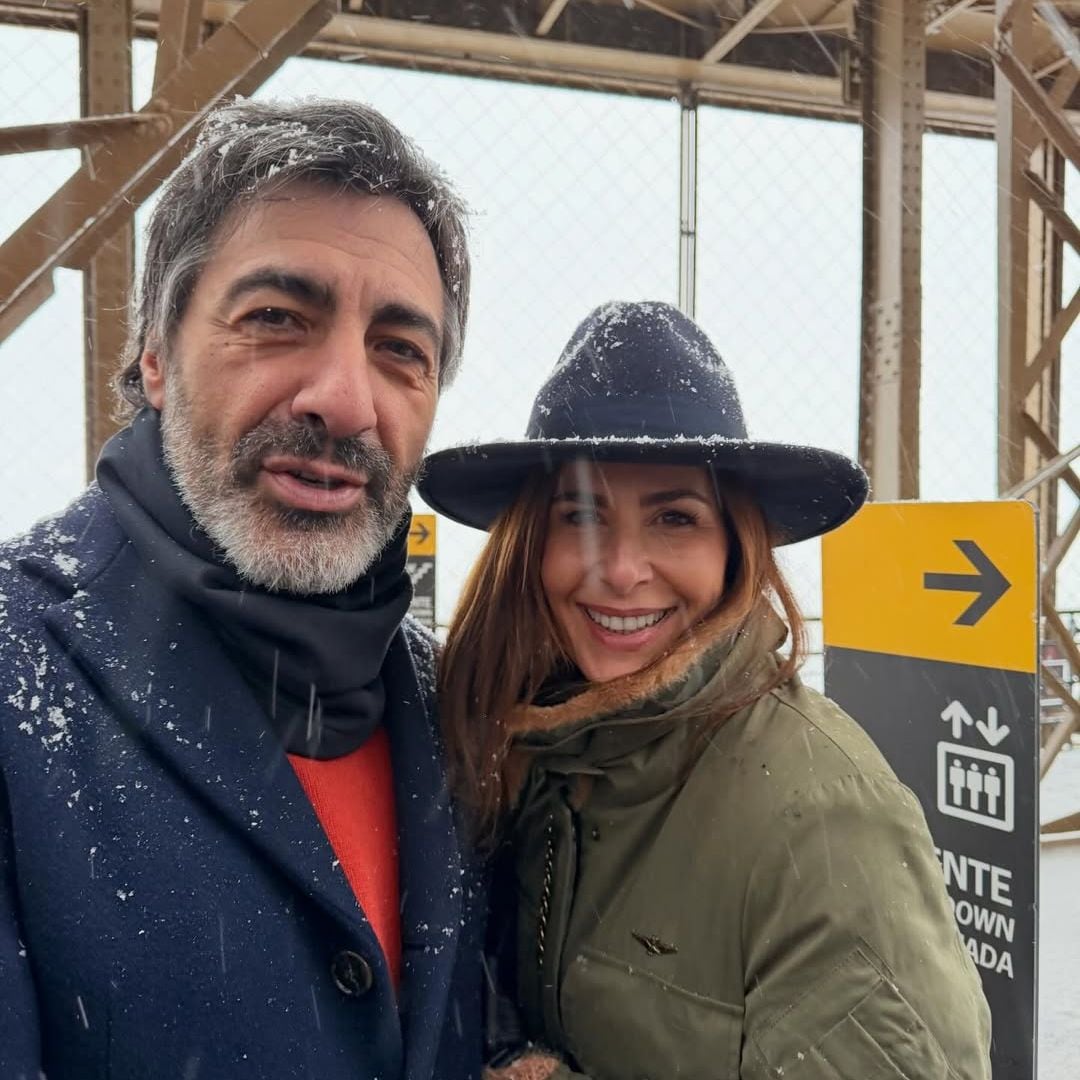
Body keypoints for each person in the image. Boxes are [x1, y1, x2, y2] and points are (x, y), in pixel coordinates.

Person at [0, 99, 482, 1079]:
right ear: (155, 356)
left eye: (401, 350)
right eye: (276, 319)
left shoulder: (450, 707)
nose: (344, 399)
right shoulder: (18, 673)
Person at [419, 301, 992, 1080]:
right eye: (582, 513)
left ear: (735, 547)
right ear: (531, 544)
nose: (621, 569)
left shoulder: (823, 820)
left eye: (674, 519)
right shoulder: (530, 750)